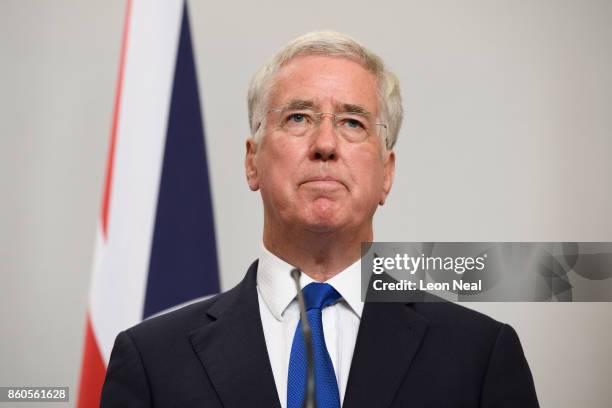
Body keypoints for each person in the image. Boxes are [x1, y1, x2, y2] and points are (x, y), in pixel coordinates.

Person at [101, 31, 539, 407]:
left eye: (352, 122)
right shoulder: (152, 361)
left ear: (386, 173)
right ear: (252, 162)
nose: (325, 144)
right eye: (298, 117)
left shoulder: (479, 355)